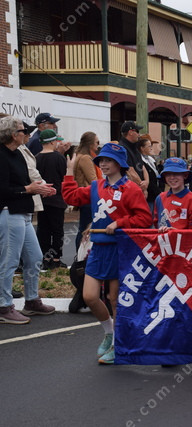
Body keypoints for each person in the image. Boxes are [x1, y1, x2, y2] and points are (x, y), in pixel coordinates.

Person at [62, 142, 152, 363]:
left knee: (115, 299)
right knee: (89, 296)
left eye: (108, 160)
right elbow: (71, 197)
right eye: (101, 160)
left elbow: (144, 218)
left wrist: (119, 223)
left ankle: (119, 345)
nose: (103, 164)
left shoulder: (131, 188)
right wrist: (69, 172)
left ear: (119, 164)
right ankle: (109, 332)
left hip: (121, 249)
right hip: (98, 249)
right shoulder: (96, 186)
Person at [0, 116, 56, 324]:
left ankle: (32, 300)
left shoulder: (18, 153)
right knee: (9, 261)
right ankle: (3, 306)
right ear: (13, 134)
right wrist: (29, 189)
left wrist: (40, 188)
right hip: (9, 212)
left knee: (34, 257)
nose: (27, 134)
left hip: (23, 213)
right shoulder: (2, 155)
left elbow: (26, 182)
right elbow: (3, 190)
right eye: (23, 130)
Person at [34, 129, 68, 270]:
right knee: (57, 230)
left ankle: (45, 257)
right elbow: (63, 176)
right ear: (53, 142)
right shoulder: (59, 158)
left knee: (43, 229)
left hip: (42, 198)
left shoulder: (36, 158)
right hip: (57, 198)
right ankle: (56, 258)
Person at [73, 131, 102, 249]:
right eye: (97, 142)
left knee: (83, 227)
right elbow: (93, 180)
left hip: (84, 196)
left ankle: (80, 254)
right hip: (88, 197)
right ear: (90, 144)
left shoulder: (79, 156)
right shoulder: (85, 158)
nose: (98, 144)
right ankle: (81, 255)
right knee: (85, 228)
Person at [153, 158, 192, 230]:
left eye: (176, 173)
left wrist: (176, 232)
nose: (172, 177)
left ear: (185, 175)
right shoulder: (160, 198)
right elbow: (156, 222)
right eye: (168, 174)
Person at [118, 121, 147, 191]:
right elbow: (130, 172)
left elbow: (143, 167)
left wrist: (146, 181)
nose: (139, 135)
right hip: (130, 190)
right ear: (130, 132)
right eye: (137, 131)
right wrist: (143, 189)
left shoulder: (134, 148)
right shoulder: (122, 149)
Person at [138, 135, 161, 215]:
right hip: (149, 195)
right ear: (142, 148)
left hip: (155, 194)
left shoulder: (151, 160)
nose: (151, 148)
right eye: (149, 146)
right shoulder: (140, 162)